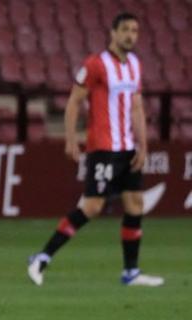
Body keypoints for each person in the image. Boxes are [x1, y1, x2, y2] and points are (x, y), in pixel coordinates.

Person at [28, 12, 163, 287]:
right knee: (92, 206)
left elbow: (137, 106)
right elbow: (74, 101)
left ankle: (131, 273)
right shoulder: (95, 64)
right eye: (125, 30)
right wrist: (70, 139)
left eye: (135, 31)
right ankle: (42, 256)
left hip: (127, 148)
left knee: (134, 204)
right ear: (113, 33)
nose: (130, 35)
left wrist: (144, 145)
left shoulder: (135, 65)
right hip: (103, 147)